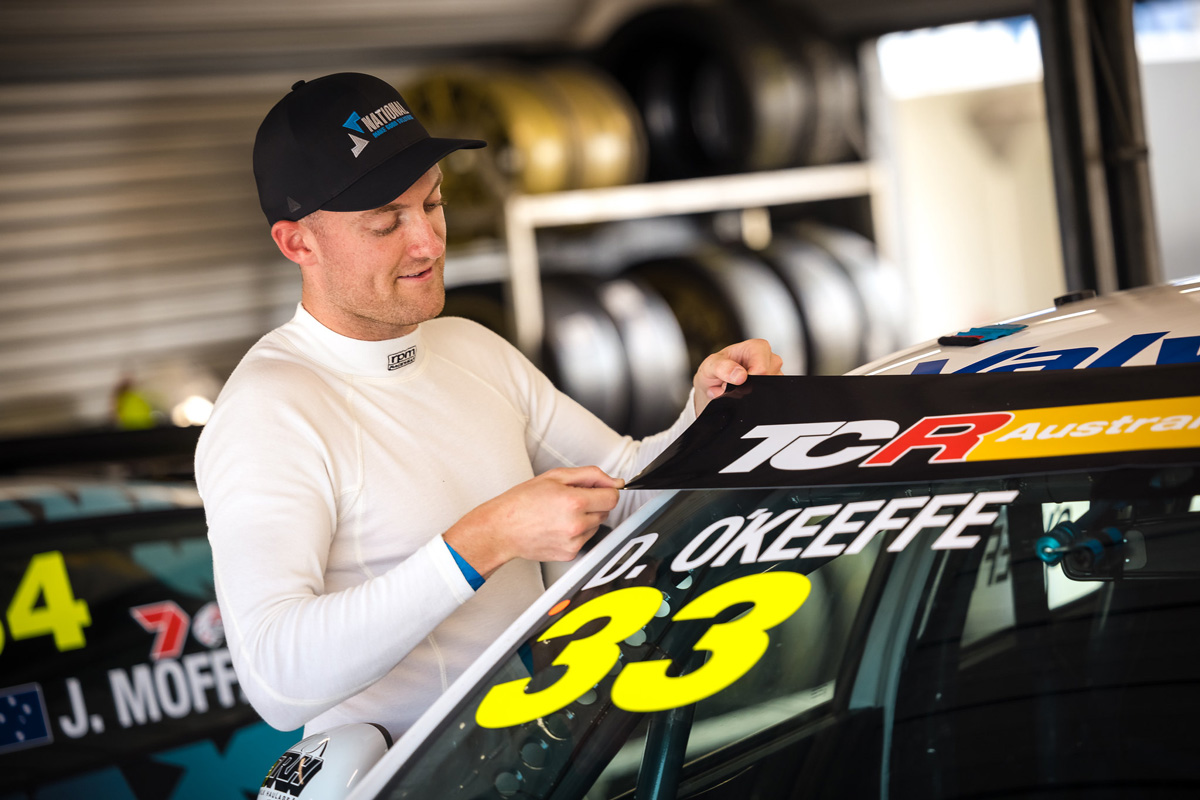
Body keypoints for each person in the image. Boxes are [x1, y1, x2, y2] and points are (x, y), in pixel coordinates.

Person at [195, 72, 782, 741]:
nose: (428, 242)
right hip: (399, 781)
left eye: (433, 203)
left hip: (536, 768)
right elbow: (276, 681)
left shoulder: (470, 348)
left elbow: (626, 491)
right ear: (298, 244)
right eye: (386, 223)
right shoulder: (269, 409)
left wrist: (707, 416)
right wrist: (484, 541)